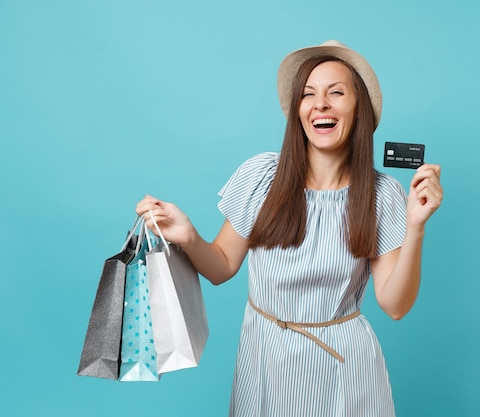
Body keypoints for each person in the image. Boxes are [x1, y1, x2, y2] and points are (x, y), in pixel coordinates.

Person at [136, 40, 443, 417]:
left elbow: (395, 306)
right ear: (298, 110)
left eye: (336, 93)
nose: (321, 104)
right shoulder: (262, 177)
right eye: (308, 94)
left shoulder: (381, 195)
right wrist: (189, 237)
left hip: (346, 368)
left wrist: (415, 227)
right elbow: (220, 267)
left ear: (358, 107)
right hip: (264, 360)